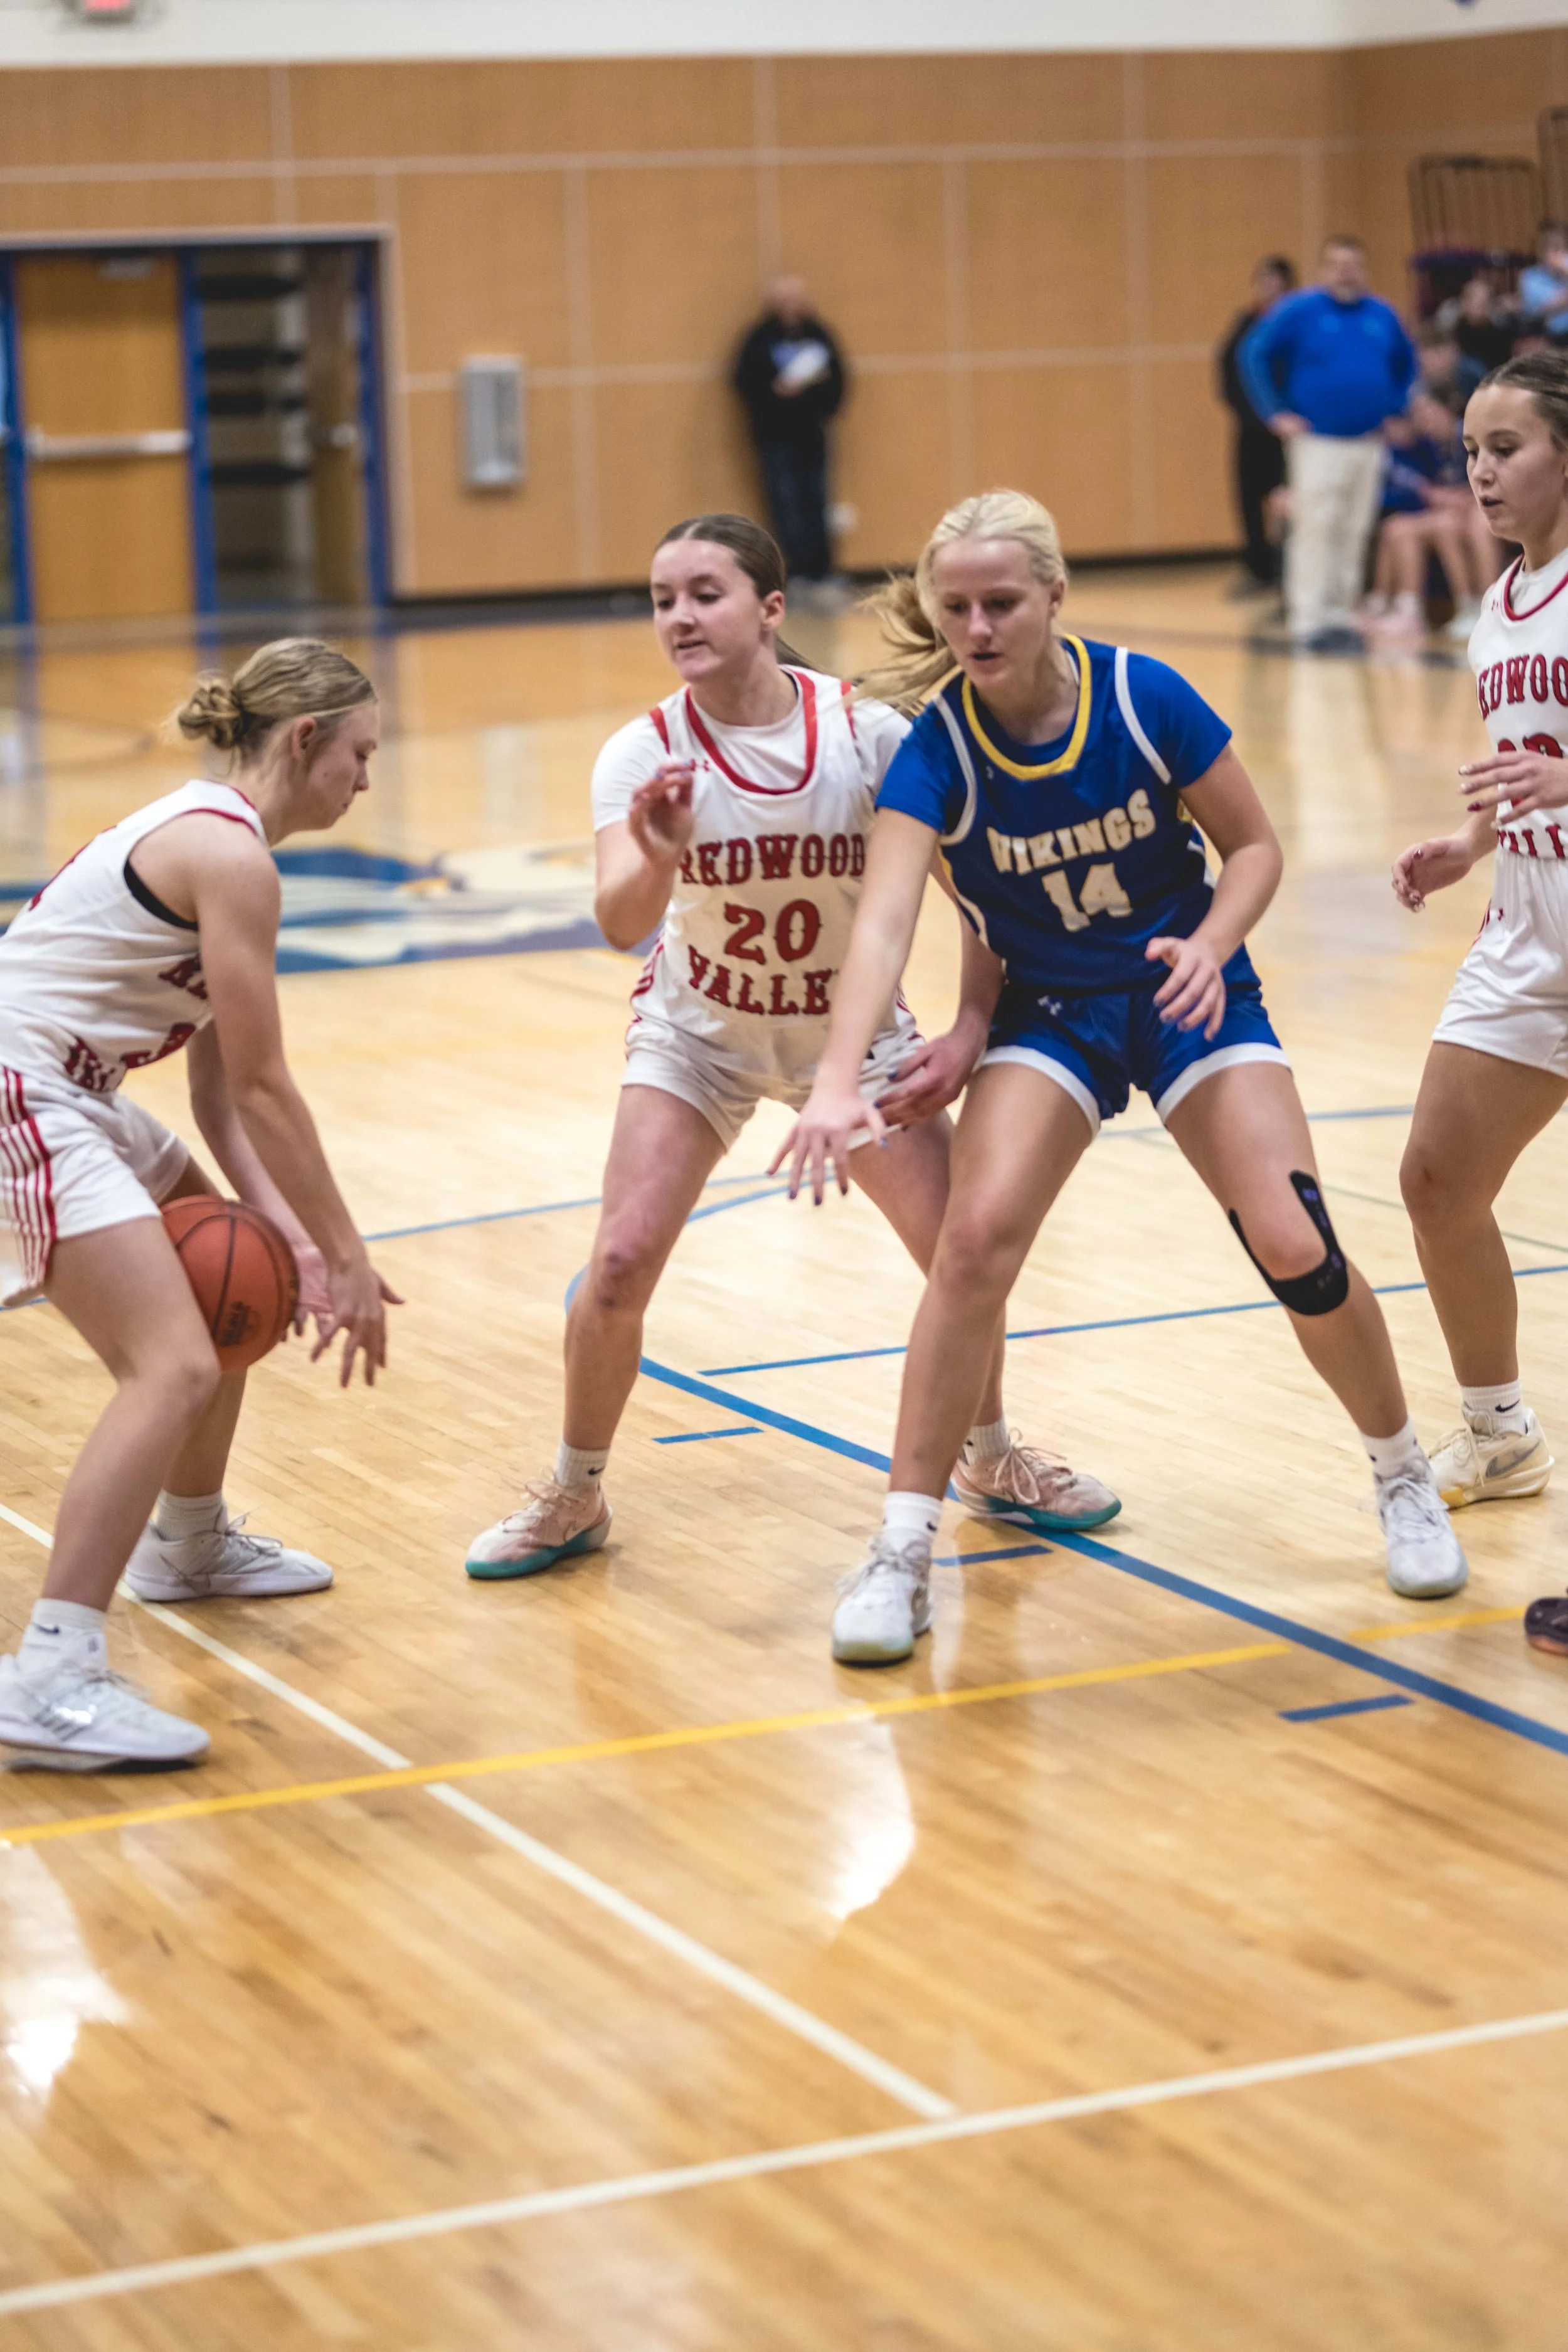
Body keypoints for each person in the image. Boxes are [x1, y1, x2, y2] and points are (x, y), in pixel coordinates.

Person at [775, 490, 1466, 1666]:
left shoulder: (1144, 697)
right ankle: (901, 1549)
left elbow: (1255, 847)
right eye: (956, 608)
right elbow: (887, 923)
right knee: (971, 1245)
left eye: (1002, 603)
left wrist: (1210, 943)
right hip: (1052, 1013)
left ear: (1055, 596)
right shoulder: (939, 750)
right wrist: (845, 1076)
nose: (978, 628)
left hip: (1188, 993)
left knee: (1295, 1238)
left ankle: (1403, 1475)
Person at [464, 514, 1116, 1582]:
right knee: (618, 1263)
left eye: (705, 593)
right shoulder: (643, 751)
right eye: (664, 599)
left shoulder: (869, 738)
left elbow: (985, 901)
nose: (680, 616)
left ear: (770, 608)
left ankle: (992, 1457)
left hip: (853, 1045)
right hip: (699, 1037)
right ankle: (574, 1490)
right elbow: (620, 920)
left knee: (962, 1258)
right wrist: (657, 854)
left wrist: (969, 1027)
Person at [0, 640, 399, 1770]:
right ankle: (52, 1675)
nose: (366, 781)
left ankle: (186, 1542)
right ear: (305, 739)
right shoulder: (229, 855)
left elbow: (222, 1100)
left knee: (240, 1275)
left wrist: (291, 1240)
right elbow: (269, 1088)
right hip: (22, 1080)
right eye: (360, 754)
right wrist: (345, 1253)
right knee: (170, 1364)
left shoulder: (222, 843)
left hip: (73, 1086)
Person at [1390, 351, 1568, 1653]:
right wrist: (1468, 844)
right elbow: (1528, 772)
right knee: (1436, 1179)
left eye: (1505, 447)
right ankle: (1500, 1433)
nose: (1481, 471)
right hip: (1530, 933)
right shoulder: (1498, 607)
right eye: (1469, 451)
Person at [1240, 236, 1419, 652]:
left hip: (1369, 441)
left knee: (1354, 529)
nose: (1345, 273)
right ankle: (1310, 621)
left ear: (1365, 270)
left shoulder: (1381, 314)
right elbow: (1254, 353)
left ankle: (1341, 616)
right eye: (1337, 265)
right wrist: (1274, 411)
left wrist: (1397, 408)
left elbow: (1407, 362)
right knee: (1317, 529)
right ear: (1323, 270)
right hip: (1317, 441)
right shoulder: (1301, 310)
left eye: (1353, 265)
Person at [733, 277, 847, 598]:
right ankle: (793, 570)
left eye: (796, 300)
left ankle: (822, 569)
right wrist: (775, 393)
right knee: (784, 503)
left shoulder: (819, 336)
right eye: (784, 301)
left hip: (812, 433)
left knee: (817, 500)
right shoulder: (760, 339)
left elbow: (838, 381)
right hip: (774, 435)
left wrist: (812, 398)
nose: (791, 307)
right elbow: (744, 382)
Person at [1363, 391, 1503, 642]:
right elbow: (1421, 489)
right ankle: (1405, 609)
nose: (1423, 419)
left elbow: (1493, 483)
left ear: (1449, 409)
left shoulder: (1471, 439)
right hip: (1451, 513)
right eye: (1418, 414)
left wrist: (1460, 499)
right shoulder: (1429, 444)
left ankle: (1489, 607)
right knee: (1398, 527)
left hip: (1481, 509)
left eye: (1429, 412)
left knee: (1460, 524)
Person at [1217, 255, 1296, 595]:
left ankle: (1286, 574)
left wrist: (1281, 416)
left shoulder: (1295, 326)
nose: (1270, 292)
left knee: (1287, 502)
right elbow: (1228, 374)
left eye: (1278, 287)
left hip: (1287, 432)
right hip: (1251, 429)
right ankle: (1257, 569)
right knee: (1249, 500)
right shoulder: (1245, 324)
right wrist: (1254, 415)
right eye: (1265, 284)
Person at [1517, 223, 1568, 346]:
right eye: (1556, 249)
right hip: (1548, 338)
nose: (1562, 255)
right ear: (1544, 252)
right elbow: (1540, 310)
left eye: (1565, 249)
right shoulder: (1530, 277)